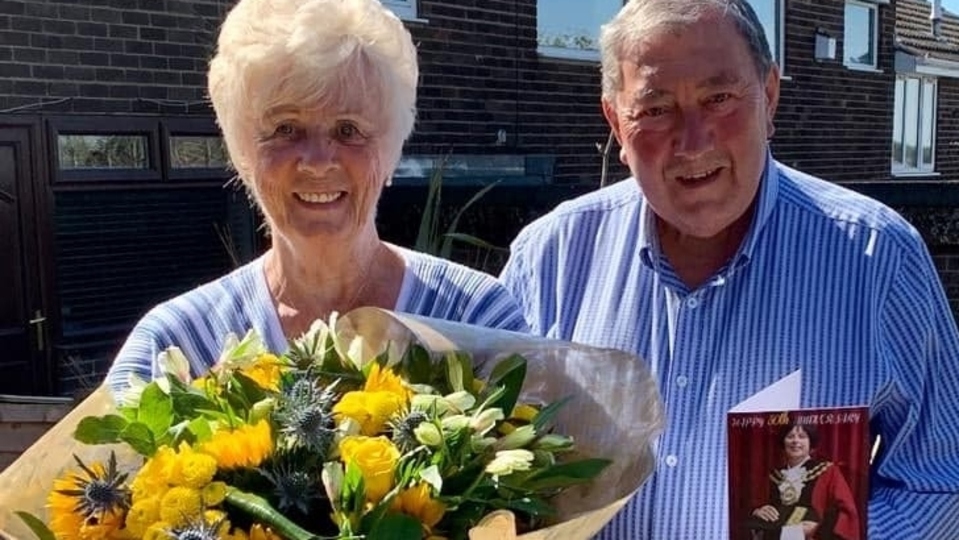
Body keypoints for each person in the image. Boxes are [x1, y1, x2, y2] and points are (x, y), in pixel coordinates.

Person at [498, 0, 959, 538]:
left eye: (719, 98)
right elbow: (496, 463)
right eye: (655, 108)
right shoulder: (549, 260)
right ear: (615, 122)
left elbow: (941, 481)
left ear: (768, 96)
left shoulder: (878, 259)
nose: (694, 141)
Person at [105, 0, 528, 394]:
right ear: (242, 151)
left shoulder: (476, 319)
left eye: (348, 130)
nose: (317, 161)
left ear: (391, 149)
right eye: (286, 128)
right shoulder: (176, 347)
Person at [748, 423, 859, 540]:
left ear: (811, 442)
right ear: (783, 442)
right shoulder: (773, 475)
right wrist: (757, 512)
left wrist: (818, 530)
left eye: (802, 436)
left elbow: (847, 512)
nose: (795, 441)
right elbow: (756, 507)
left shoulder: (828, 472)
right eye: (790, 436)